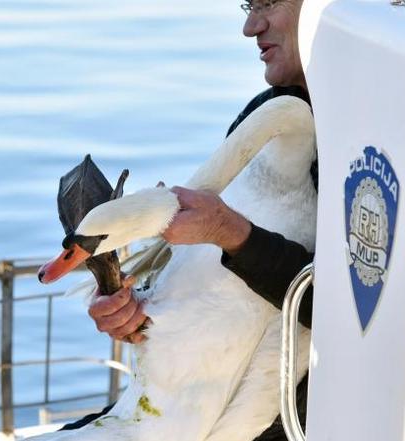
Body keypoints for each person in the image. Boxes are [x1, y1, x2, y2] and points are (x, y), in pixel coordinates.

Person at [73, 1, 315, 439]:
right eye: (248, 5)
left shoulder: (376, 139)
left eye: (269, 2)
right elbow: (221, 281)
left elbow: (352, 306)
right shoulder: (269, 112)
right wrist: (137, 309)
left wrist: (232, 234)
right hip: (192, 407)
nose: (250, 26)